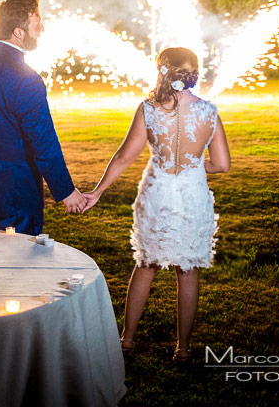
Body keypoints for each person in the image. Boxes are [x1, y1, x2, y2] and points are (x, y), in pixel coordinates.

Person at [82, 47, 230, 362]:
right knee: (187, 270)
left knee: (146, 265)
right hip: (192, 195)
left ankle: (127, 339)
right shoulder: (209, 112)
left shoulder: (148, 109)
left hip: (157, 193)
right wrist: (193, 165)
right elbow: (221, 164)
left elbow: (124, 157)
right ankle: (183, 348)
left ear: (162, 71)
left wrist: (96, 192)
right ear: (194, 73)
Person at [0, 0, 90, 235]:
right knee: (20, 264)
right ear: (18, 32)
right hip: (15, 192)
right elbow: (43, 141)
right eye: (37, 23)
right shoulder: (27, 78)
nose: (42, 29)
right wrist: (66, 191)